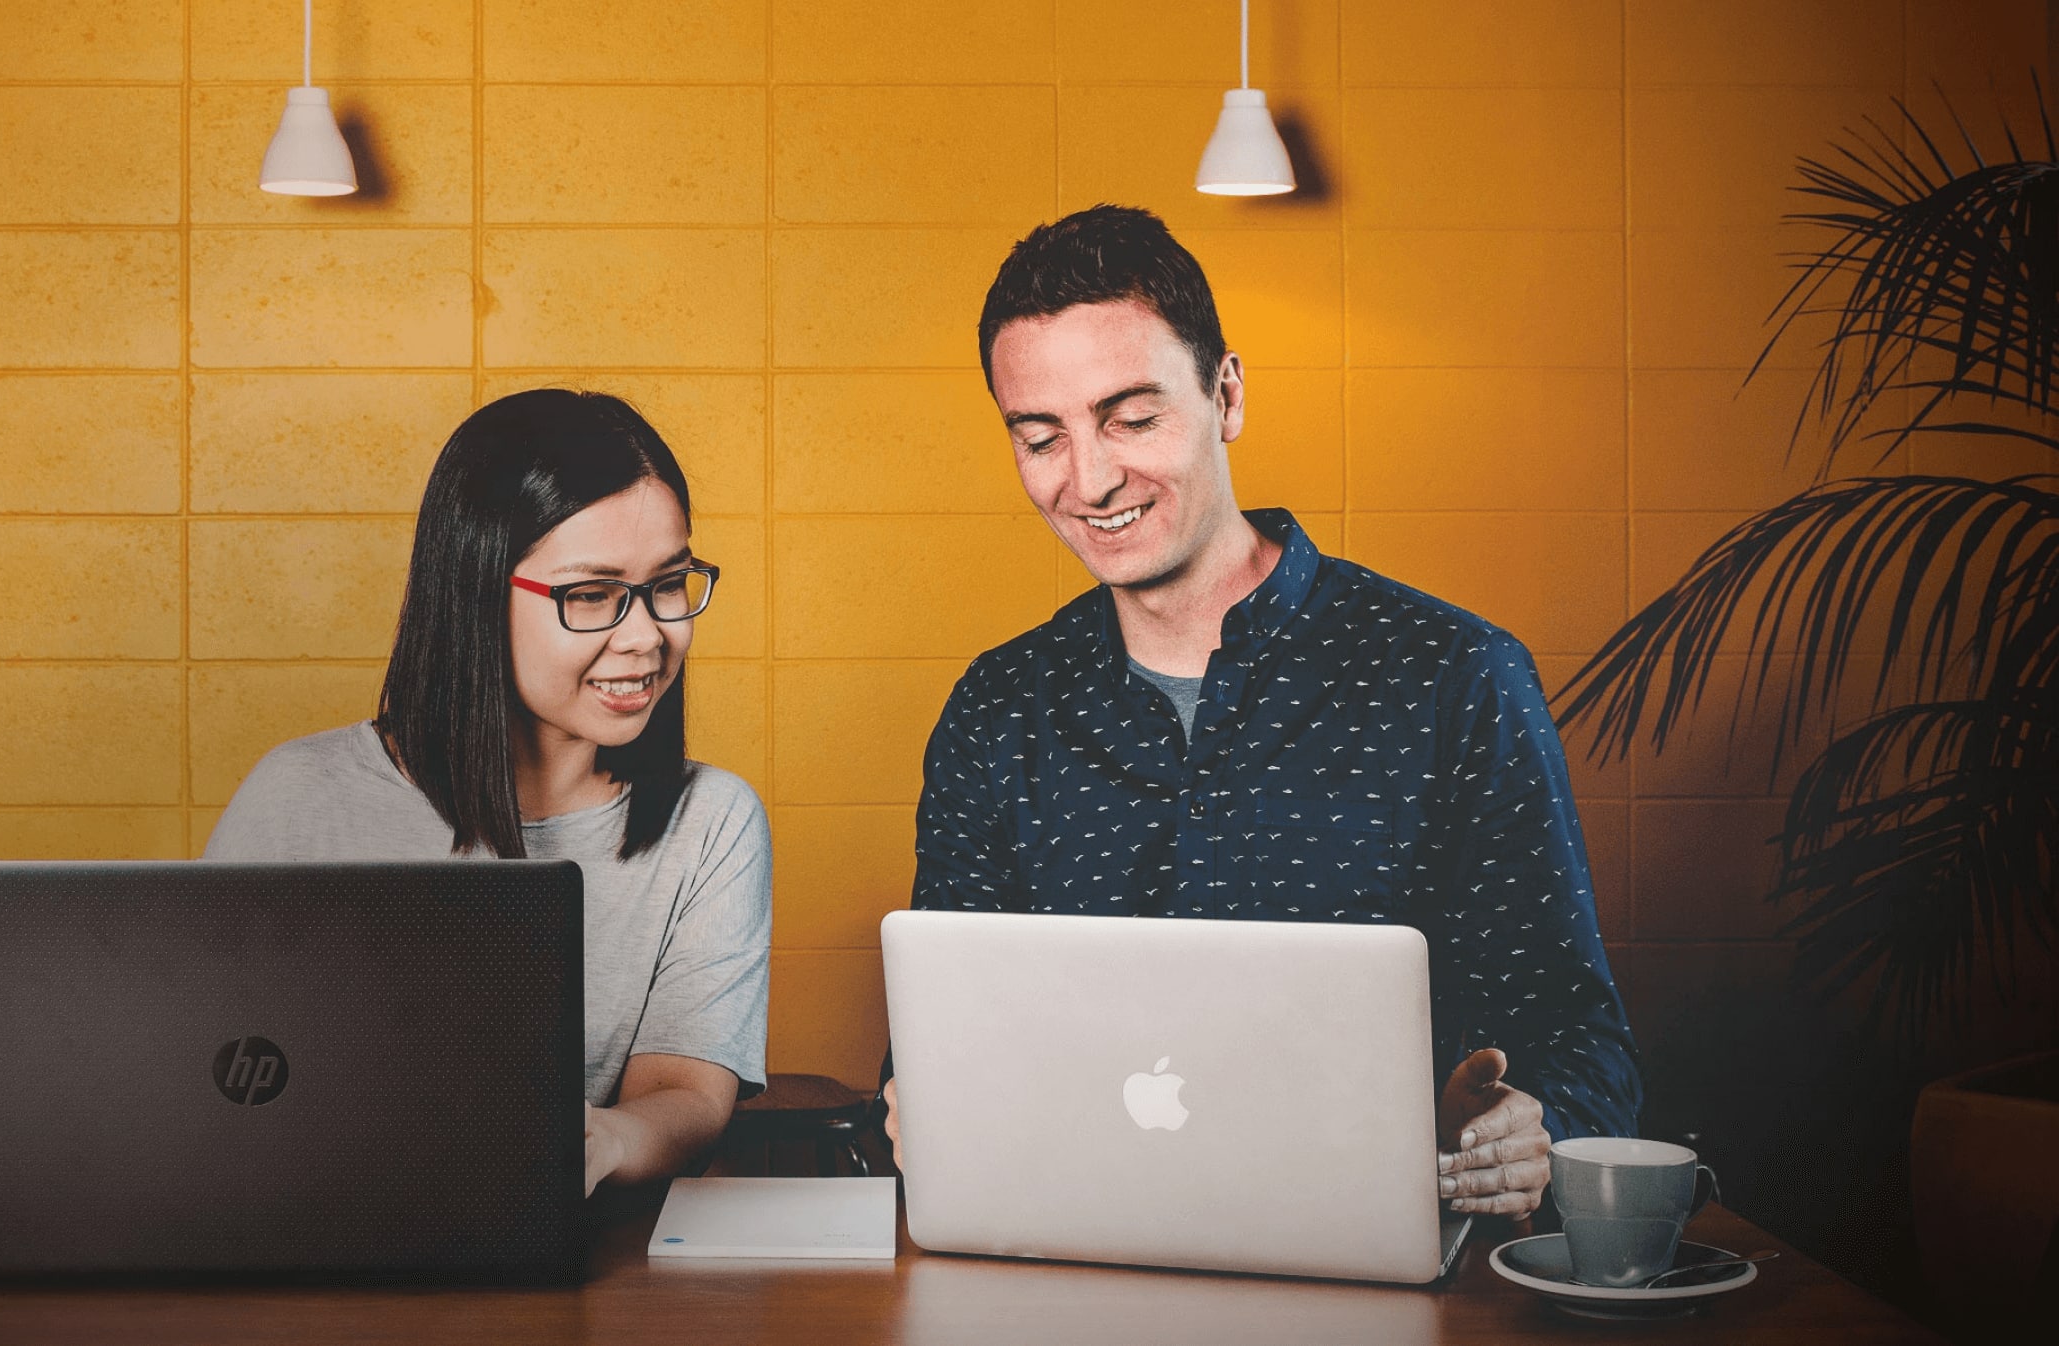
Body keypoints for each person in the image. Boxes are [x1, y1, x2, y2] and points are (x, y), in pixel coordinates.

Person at [881, 206, 1640, 1219]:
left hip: (1383, 1262)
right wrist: (919, 1098)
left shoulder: (1455, 675)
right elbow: (940, 1033)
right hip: (1076, 1252)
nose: (1090, 478)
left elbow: (1581, 1039)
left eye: (1130, 418)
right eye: (1040, 436)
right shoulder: (997, 709)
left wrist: (1537, 1127)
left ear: (1225, 395)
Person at [206, 389, 771, 1197]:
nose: (646, 636)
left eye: (670, 584)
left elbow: (683, 1094)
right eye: (591, 595)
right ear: (475, 592)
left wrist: (602, 1139)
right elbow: (221, 1073)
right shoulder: (297, 799)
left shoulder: (711, 823)